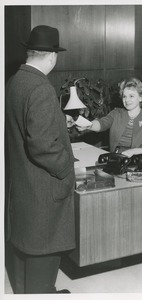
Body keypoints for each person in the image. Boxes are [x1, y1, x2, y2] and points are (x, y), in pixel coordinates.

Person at [5, 25, 75, 294]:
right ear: (51, 57)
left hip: (23, 188)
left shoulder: (15, 82)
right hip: (43, 193)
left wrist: (57, 122)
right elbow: (42, 145)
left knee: (25, 252)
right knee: (44, 256)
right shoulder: (41, 88)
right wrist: (66, 169)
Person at [76, 77, 142, 157]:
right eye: (124, 96)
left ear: (140, 97)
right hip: (116, 159)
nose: (127, 100)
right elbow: (102, 123)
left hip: (139, 161)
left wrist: (133, 152)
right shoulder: (116, 113)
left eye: (131, 96)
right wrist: (89, 125)